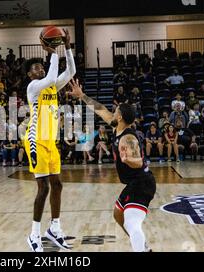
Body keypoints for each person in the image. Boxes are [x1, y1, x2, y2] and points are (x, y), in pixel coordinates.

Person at [68, 79, 156, 252]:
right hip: (134, 183)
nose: (112, 112)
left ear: (121, 116)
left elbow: (139, 162)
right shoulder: (117, 127)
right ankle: (142, 246)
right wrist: (82, 95)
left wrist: (128, 159)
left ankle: (142, 250)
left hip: (142, 183)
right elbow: (100, 110)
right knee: (118, 214)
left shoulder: (128, 138)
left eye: (115, 111)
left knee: (131, 222)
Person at [24, 29, 75, 252]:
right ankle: (34, 234)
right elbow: (52, 77)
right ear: (29, 75)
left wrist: (67, 46)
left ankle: (54, 228)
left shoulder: (52, 85)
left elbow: (70, 71)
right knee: (43, 188)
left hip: (51, 142)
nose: (40, 68)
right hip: (35, 140)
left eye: (40, 66)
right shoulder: (34, 87)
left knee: (57, 185)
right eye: (35, 68)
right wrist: (52, 51)